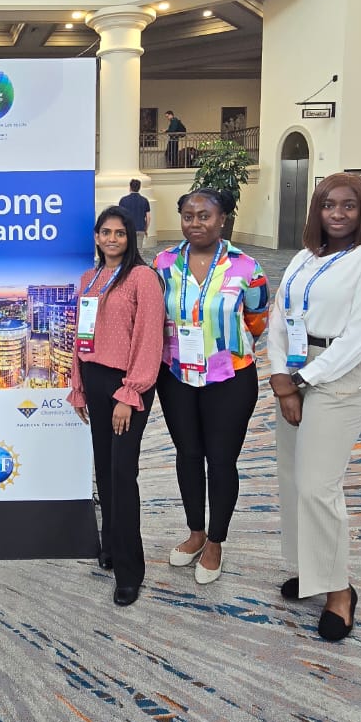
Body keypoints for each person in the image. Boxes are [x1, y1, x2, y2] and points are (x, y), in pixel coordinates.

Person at [268, 173, 361, 642]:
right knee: (291, 477)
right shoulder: (305, 258)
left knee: (318, 485)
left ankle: (339, 591)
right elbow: (281, 318)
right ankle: (312, 572)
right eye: (328, 205)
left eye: (349, 206)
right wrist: (281, 375)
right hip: (296, 372)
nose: (338, 214)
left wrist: (301, 380)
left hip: (337, 376)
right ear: (316, 211)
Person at [154, 189, 269, 585]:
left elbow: (257, 318)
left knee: (221, 461)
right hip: (176, 377)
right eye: (188, 216)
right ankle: (195, 533)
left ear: (222, 220)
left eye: (204, 216)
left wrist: (222, 344)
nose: (195, 223)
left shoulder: (247, 266)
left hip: (230, 378)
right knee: (188, 455)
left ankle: (216, 540)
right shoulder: (164, 263)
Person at [67, 206, 164, 607]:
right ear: (95, 237)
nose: (111, 239)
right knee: (104, 470)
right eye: (105, 232)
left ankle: (130, 569)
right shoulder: (88, 280)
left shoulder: (143, 278)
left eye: (119, 233)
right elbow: (79, 336)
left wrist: (131, 393)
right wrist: (77, 384)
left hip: (127, 385)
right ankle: (110, 545)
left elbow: (149, 341)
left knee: (123, 476)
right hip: (94, 380)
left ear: (131, 238)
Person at [118, 179, 151, 252]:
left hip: (127, 229)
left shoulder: (123, 200)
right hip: (140, 228)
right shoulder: (144, 200)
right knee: (138, 251)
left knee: (128, 250)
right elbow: (148, 218)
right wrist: (145, 229)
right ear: (139, 188)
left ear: (130, 187)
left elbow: (120, 216)